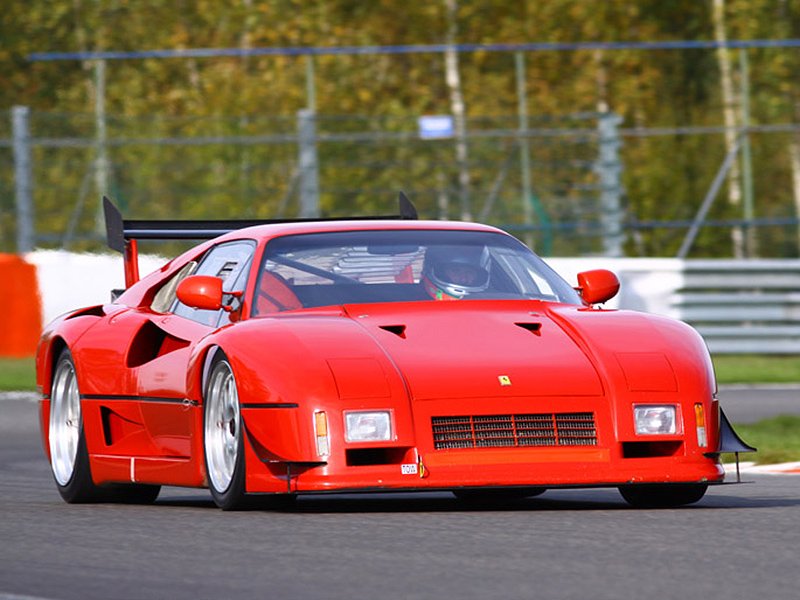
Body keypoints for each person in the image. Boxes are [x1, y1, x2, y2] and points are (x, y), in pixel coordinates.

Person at [421, 246, 490, 300]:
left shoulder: (488, 301)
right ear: (440, 272)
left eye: (469, 272)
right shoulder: (412, 300)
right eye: (455, 271)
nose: (463, 279)